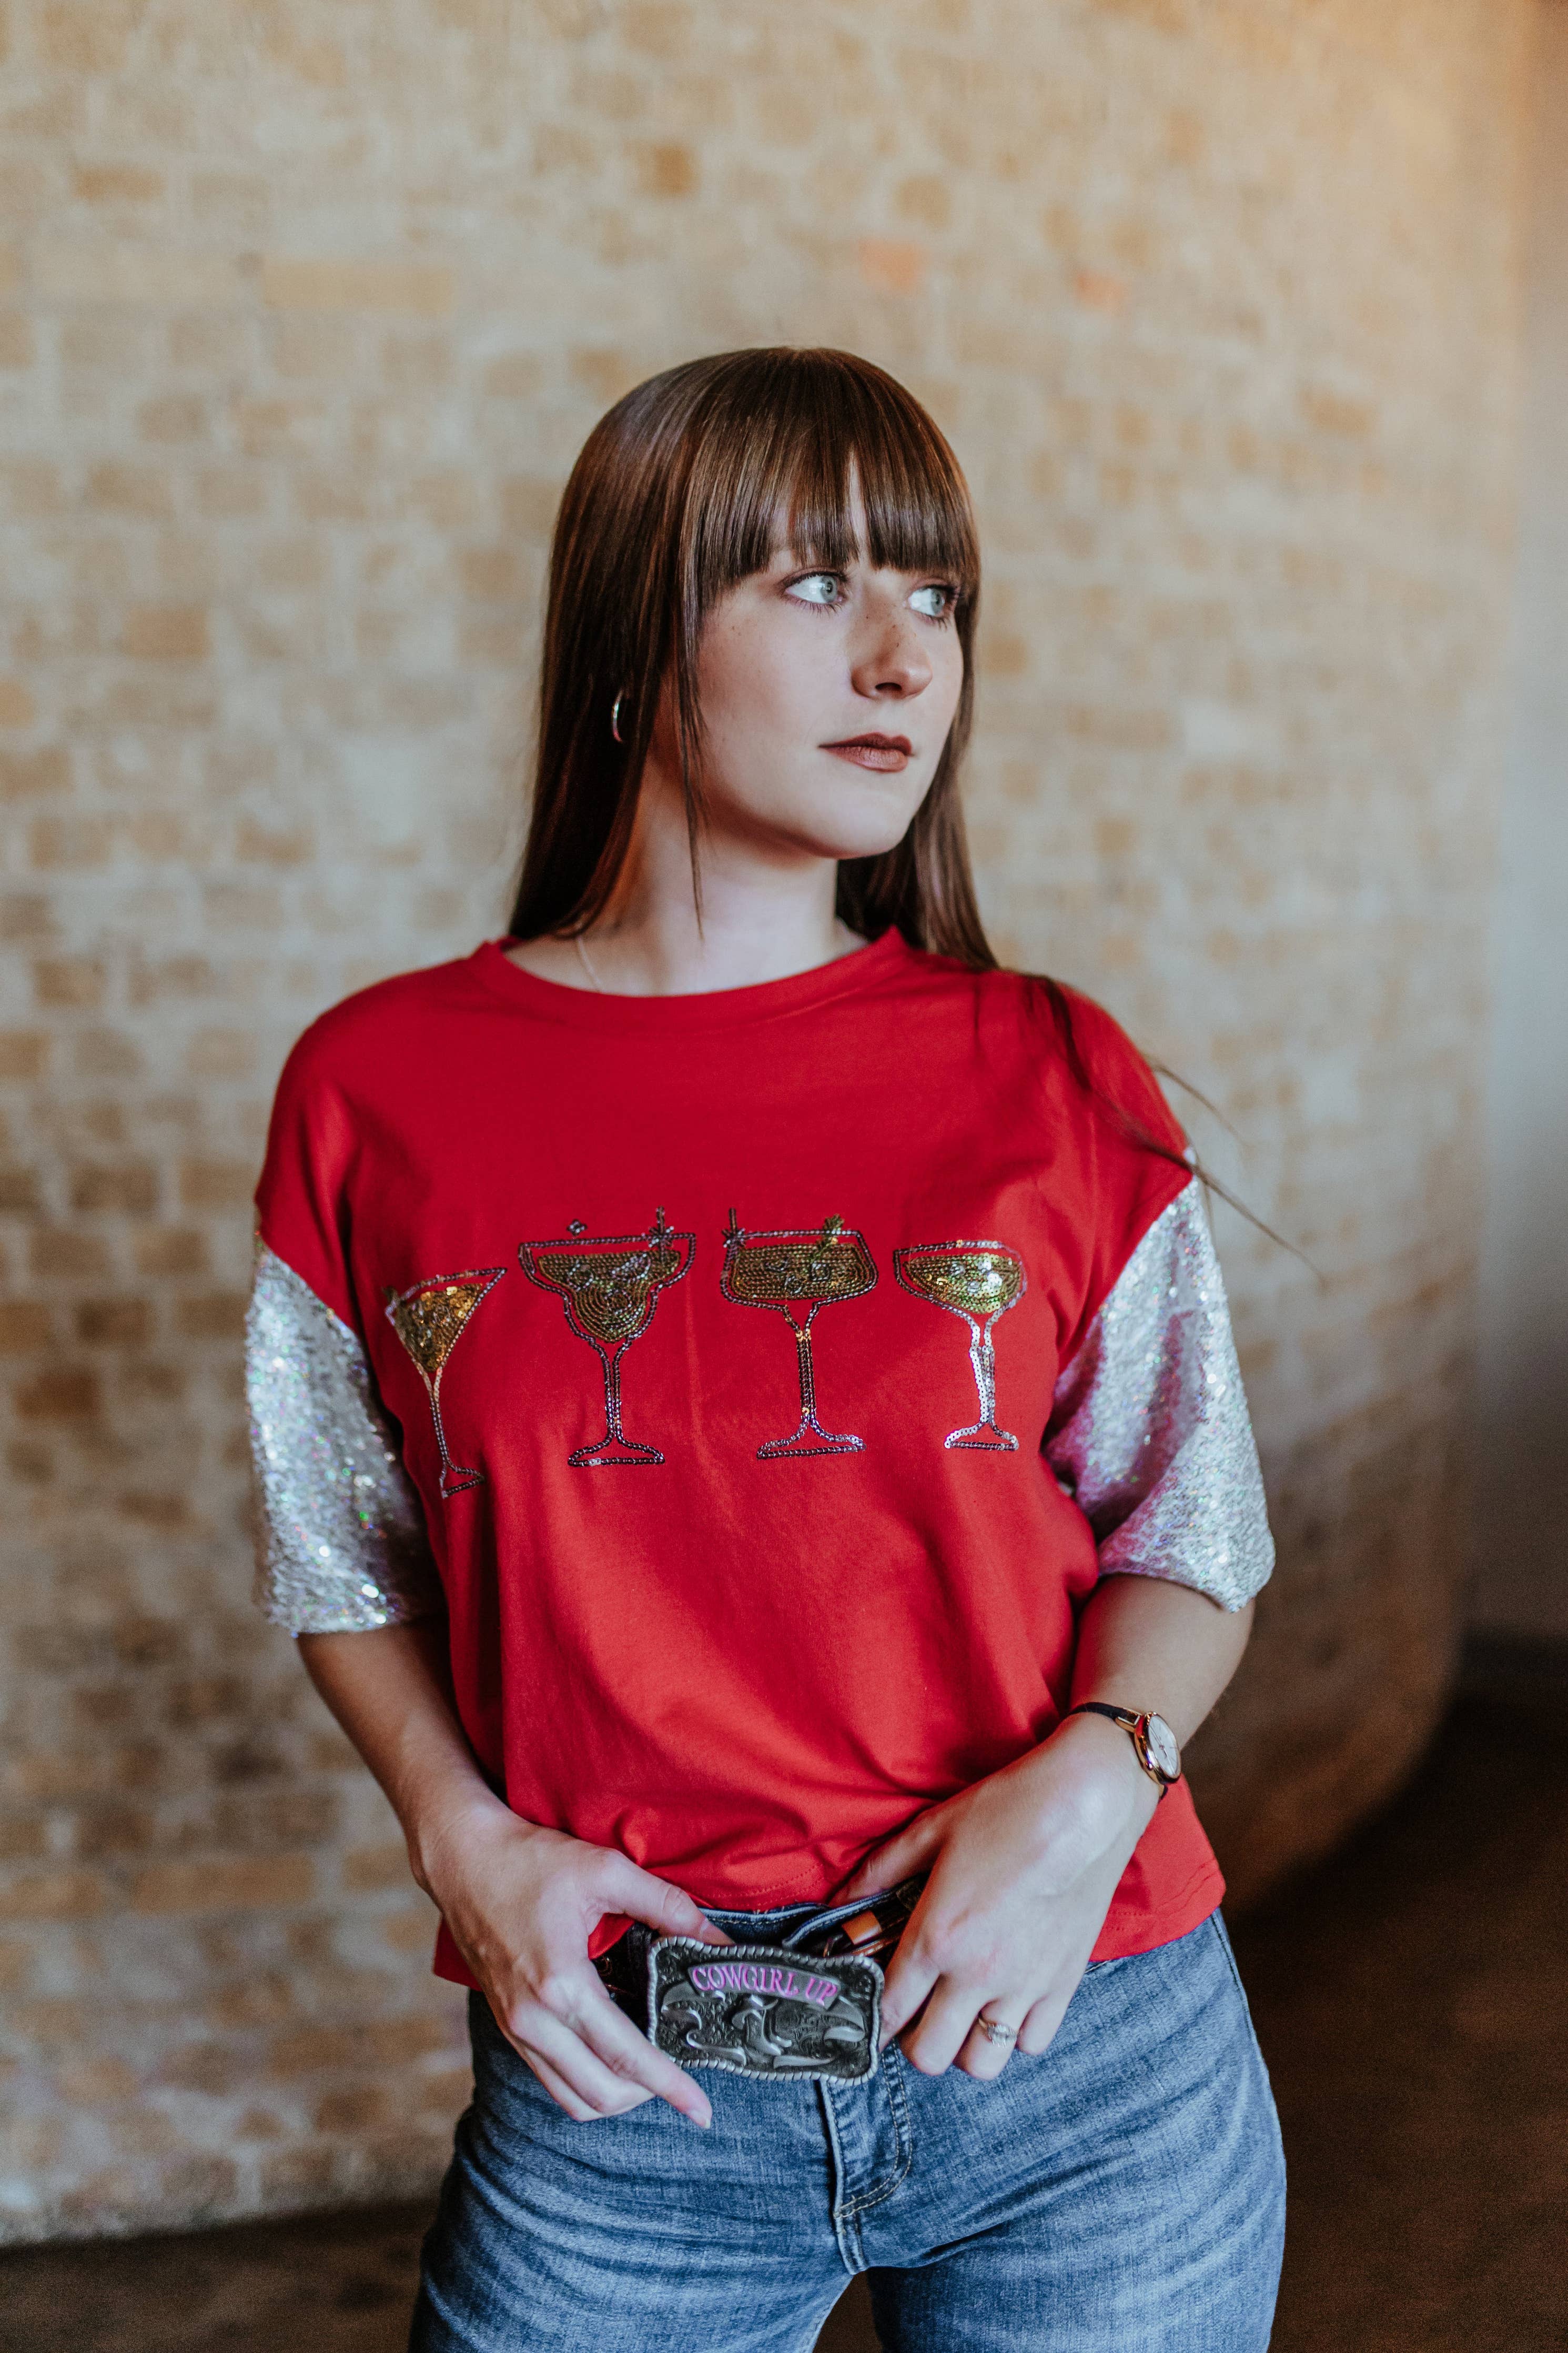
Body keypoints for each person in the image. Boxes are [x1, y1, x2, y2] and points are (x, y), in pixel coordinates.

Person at [246, 347, 1286, 2352]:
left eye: (940, 597)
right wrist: (462, 1845)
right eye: (817, 587)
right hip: (629, 2099)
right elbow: (337, 1552)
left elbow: (1193, 1528)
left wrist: (1095, 1780)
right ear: (643, 624)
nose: (905, 660)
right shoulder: (379, 1092)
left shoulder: (1052, 1068)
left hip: (1090, 2048)